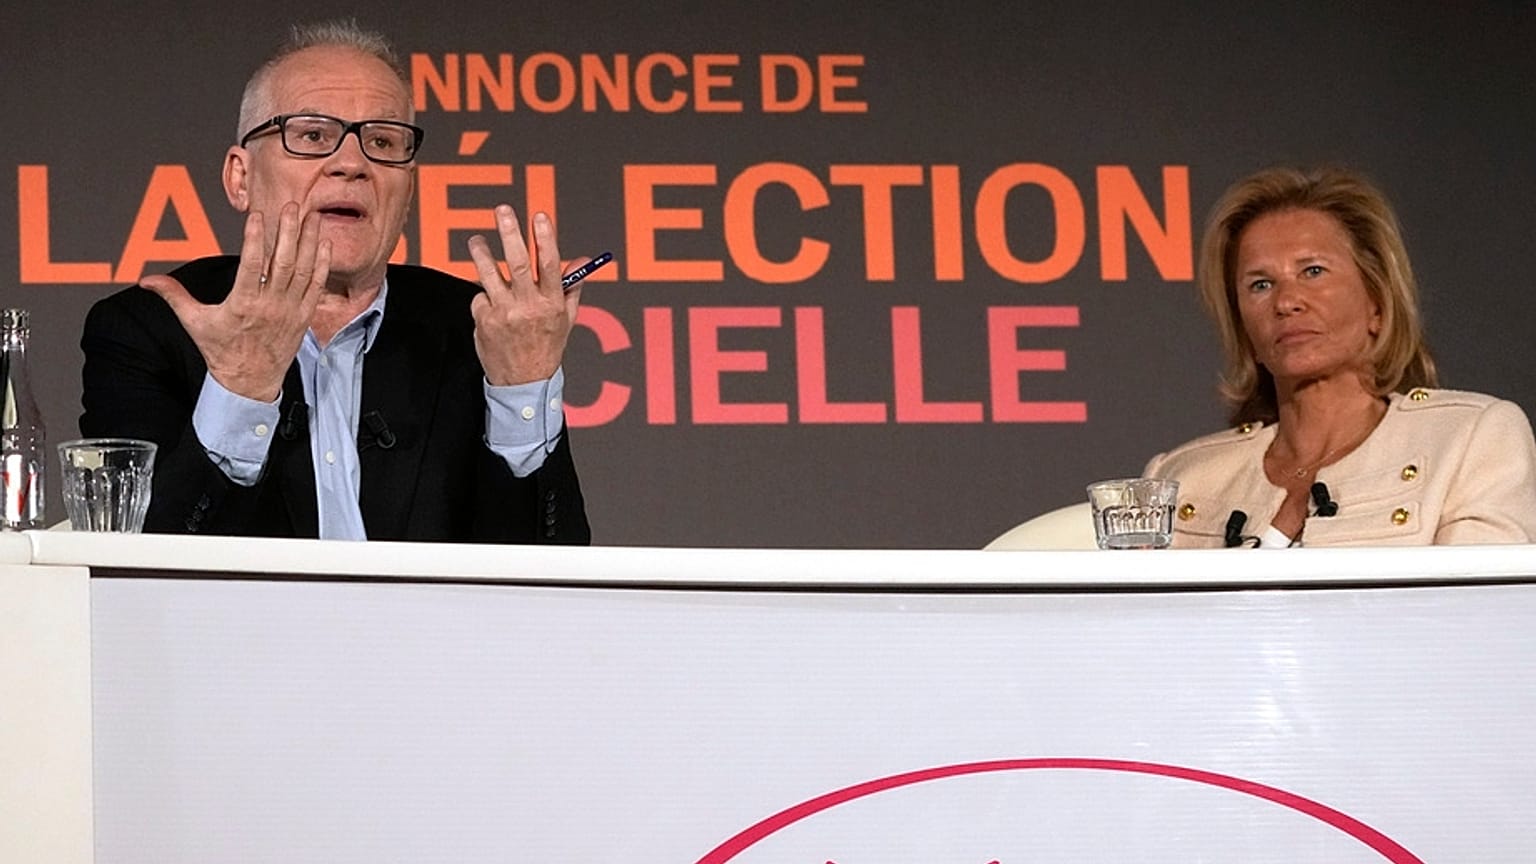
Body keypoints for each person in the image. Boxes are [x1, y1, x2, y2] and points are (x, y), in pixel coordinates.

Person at [79, 20, 590, 543]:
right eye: (312, 135)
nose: (351, 163)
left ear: (408, 191)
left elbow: (554, 570)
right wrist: (239, 389)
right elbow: (135, 562)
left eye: (382, 141)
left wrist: (524, 390)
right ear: (240, 177)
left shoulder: (480, 332)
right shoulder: (144, 332)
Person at [1143, 166, 1536, 547]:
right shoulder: (1182, 480)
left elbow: (1476, 592)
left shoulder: (1469, 440)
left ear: (1377, 303)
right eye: (1260, 284)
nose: (1286, 301)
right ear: (1243, 326)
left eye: (1313, 271)